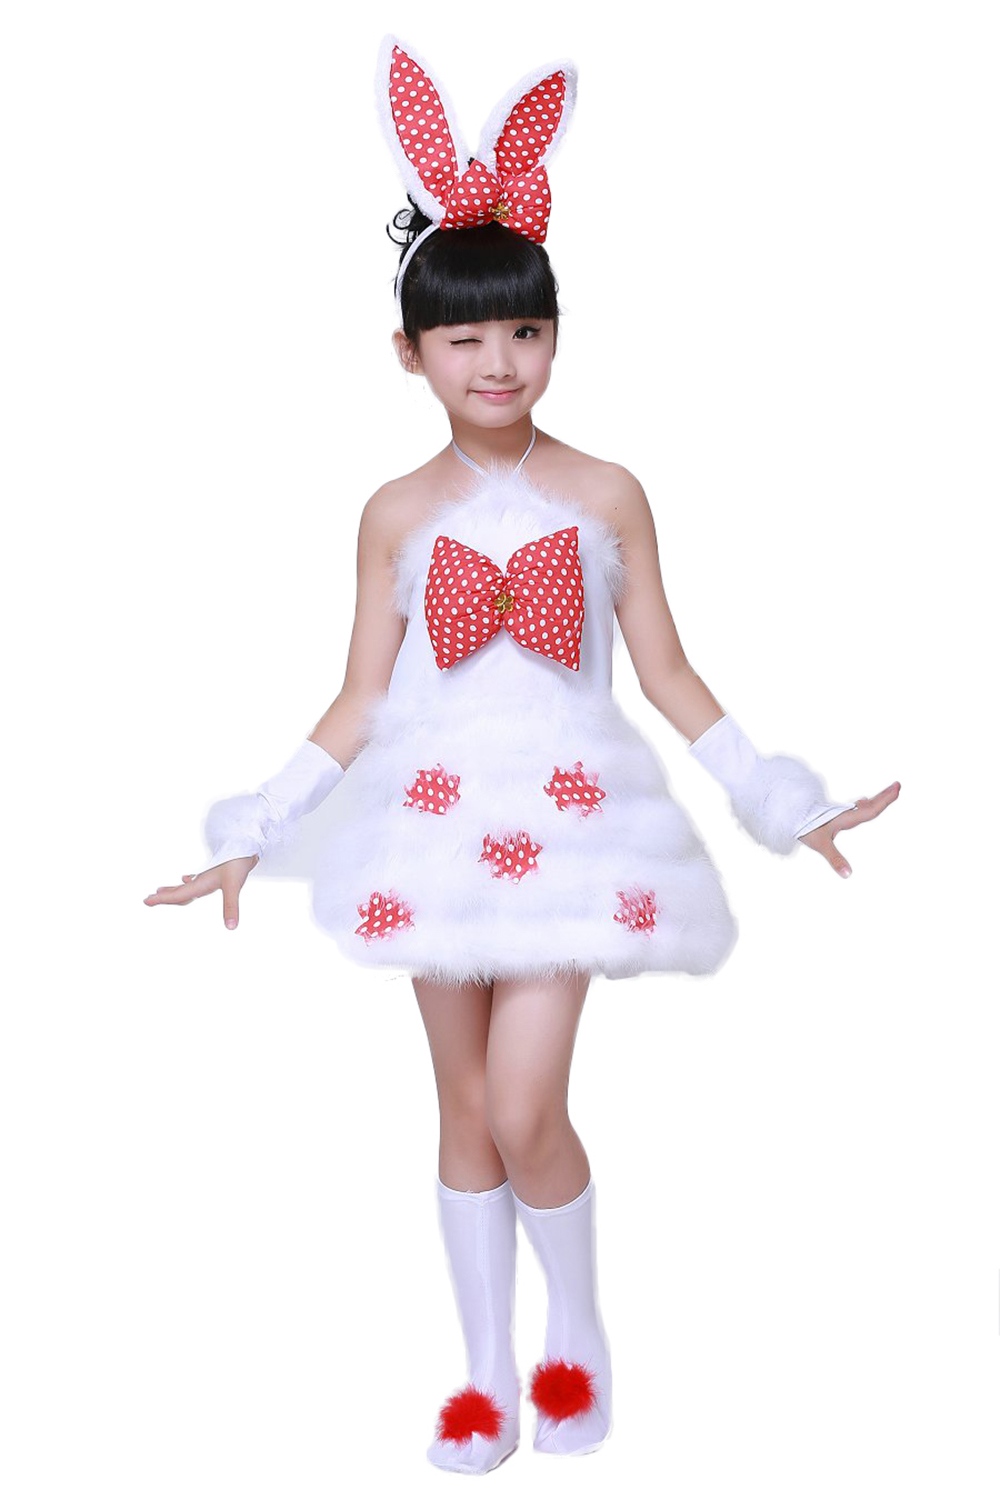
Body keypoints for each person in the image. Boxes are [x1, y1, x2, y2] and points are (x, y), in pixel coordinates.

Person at [144, 34, 900, 1475]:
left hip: (569, 823)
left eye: (526, 331)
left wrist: (775, 795)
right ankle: (487, 1374)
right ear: (410, 352)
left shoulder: (608, 490)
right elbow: (360, 698)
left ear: (556, 334)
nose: (499, 363)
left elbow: (666, 669)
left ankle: (579, 1334)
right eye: (465, 339)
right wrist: (254, 827)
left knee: (523, 1100)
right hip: (429, 818)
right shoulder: (391, 511)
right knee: (459, 1109)